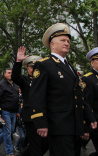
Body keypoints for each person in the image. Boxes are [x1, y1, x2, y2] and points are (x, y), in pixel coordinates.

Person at [29, 23, 97, 156]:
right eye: (63, 40)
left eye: (68, 41)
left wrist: (90, 117)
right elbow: (37, 95)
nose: (67, 43)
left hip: (75, 125)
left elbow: (79, 95)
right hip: (58, 125)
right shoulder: (44, 65)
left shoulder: (70, 67)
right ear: (52, 44)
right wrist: (40, 122)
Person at [12, 47, 49, 156]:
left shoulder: (44, 80)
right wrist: (18, 61)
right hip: (31, 116)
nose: (33, 69)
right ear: (27, 69)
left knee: (46, 144)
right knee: (35, 145)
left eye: (35, 67)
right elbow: (15, 77)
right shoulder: (24, 80)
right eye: (30, 67)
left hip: (45, 115)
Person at [0, 68, 19, 156]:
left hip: (13, 111)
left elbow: (16, 98)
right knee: (8, 132)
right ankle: (9, 152)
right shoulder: (1, 84)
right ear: (5, 74)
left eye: (12, 73)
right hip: (5, 111)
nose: (11, 74)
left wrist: (17, 111)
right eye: (9, 73)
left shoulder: (15, 84)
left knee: (11, 131)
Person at [82, 47, 98, 156]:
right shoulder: (88, 79)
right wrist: (86, 126)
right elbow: (86, 103)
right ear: (92, 63)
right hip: (96, 121)